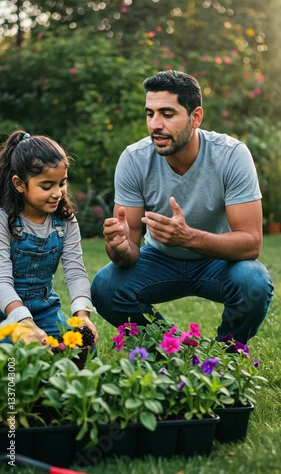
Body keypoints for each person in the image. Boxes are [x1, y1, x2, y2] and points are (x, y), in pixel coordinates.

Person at [91, 70, 273, 344]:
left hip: (218, 260)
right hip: (159, 259)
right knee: (105, 287)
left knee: (254, 282)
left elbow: (251, 244)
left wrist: (188, 237)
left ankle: (228, 354)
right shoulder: (134, 159)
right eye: (150, 114)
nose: (155, 124)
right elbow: (128, 253)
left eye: (167, 113)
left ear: (196, 116)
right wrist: (118, 246)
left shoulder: (232, 155)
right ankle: (170, 348)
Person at [0, 130, 98, 345]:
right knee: (13, 355)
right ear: (19, 184)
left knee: (82, 345)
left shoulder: (65, 221)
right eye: (46, 186)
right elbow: (2, 280)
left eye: (62, 183)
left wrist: (82, 316)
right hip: (6, 310)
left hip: (45, 311)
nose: (57, 193)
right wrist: (24, 322)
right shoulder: (3, 220)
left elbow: (75, 272)